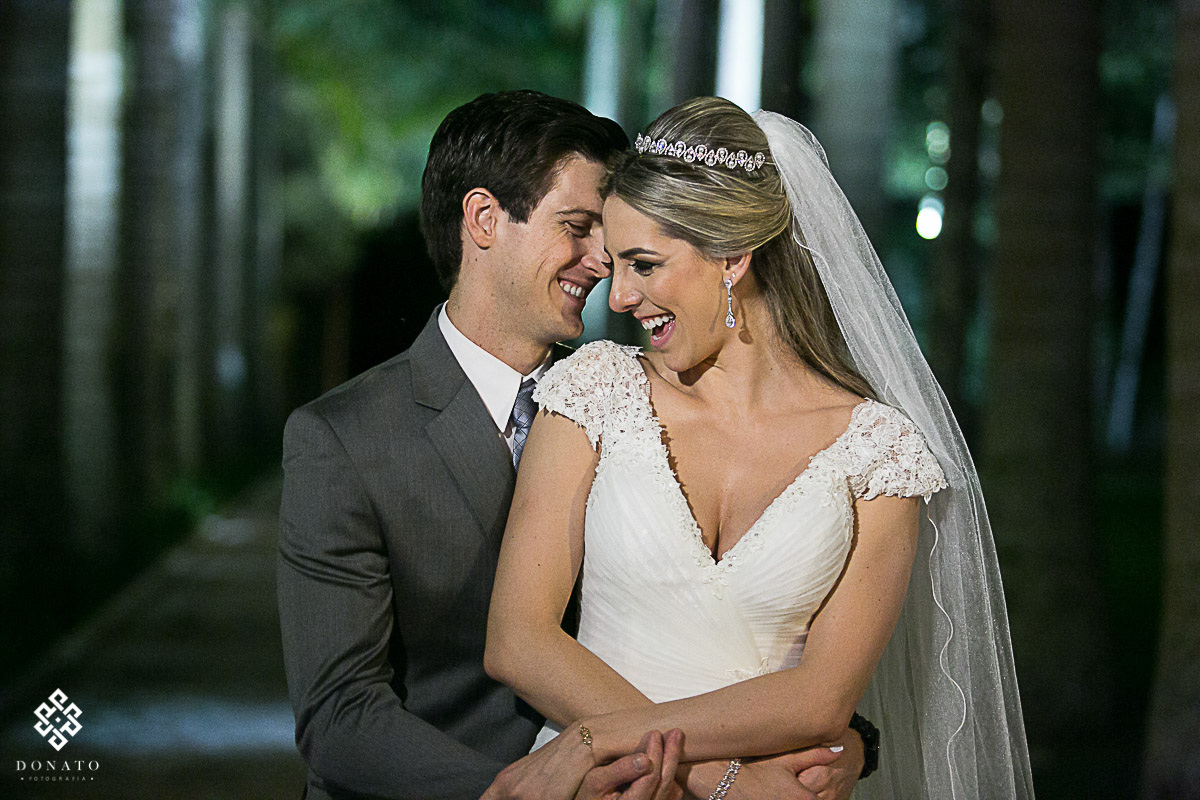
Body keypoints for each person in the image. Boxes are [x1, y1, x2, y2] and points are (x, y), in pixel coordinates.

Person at [277, 90, 865, 800]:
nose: (601, 262)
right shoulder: (344, 438)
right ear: (485, 219)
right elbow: (340, 713)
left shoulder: (629, 402)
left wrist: (847, 739)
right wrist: (533, 788)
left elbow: (705, 616)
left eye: (616, 242)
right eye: (579, 228)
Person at [485, 97, 1035, 799]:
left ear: (733, 257)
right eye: (615, 266)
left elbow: (820, 701)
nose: (618, 297)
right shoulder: (595, 389)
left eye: (644, 264)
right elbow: (518, 640)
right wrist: (728, 783)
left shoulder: (879, 453)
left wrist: (600, 735)